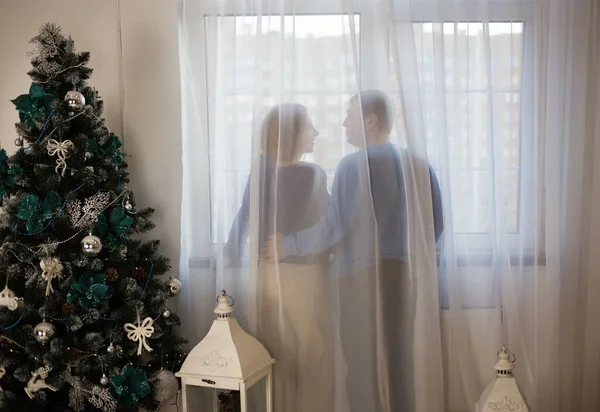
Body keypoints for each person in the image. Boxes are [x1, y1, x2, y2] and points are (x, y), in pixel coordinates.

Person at [263, 90, 443, 412]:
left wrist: (287, 244)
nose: (344, 123)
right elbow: (435, 227)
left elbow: (335, 226)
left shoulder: (352, 165)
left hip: (360, 279)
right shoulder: (419, 165)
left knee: (361, 368)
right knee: (400, 365)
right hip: (402, 277)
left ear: (370, 120)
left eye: (349, 114)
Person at [223, 103, 333, 412]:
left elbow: (243, 218)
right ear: (293, 134)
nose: (316, 133)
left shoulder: (260, 172)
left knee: (274, 355)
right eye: (310, 127)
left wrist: (230, 252)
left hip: (266, 275)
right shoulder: (312, 174)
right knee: (315, 355)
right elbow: (328, 225)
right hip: (303, 276)